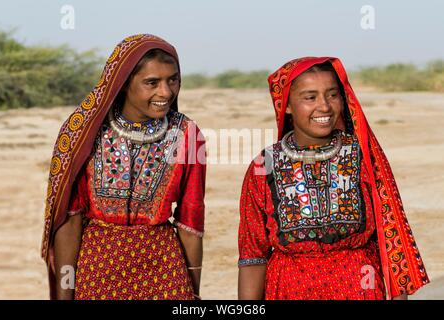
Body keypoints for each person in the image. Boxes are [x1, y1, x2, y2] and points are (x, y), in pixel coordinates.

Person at [237, 57, 429, 300]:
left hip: (361, 287)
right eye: (310, 97)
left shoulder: (364, 156)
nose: (325, 107)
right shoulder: (264, 165)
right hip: (289, 290)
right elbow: (253, 256)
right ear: (286, 105)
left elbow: (390, 240)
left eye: (332, 95)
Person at [41, 34, 206, 300]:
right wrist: (64, 294)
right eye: (152, 82)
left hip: (164, 272)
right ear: (124, 82)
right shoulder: (83, 131)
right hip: (97, 270)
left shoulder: (187, 134)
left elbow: (191, 219)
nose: (165, 92)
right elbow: (69, 219)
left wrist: (192, 293)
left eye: (172, 80)